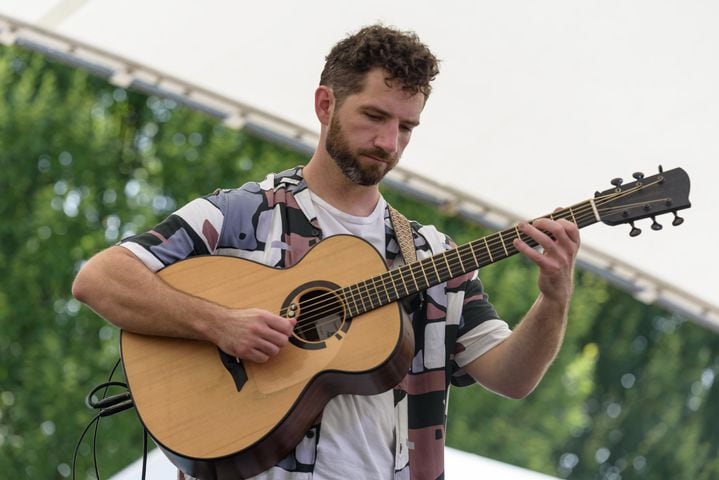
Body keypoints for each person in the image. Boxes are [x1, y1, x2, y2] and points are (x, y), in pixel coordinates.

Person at [72, 24, 580, 480]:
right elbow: (100, 279)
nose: (389, 142)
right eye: (375, 116)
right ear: (325, 105)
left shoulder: (429, 252)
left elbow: (512, 378)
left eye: (406, 127)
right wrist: (218, 323)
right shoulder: (240, 214)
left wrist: (554, 298)